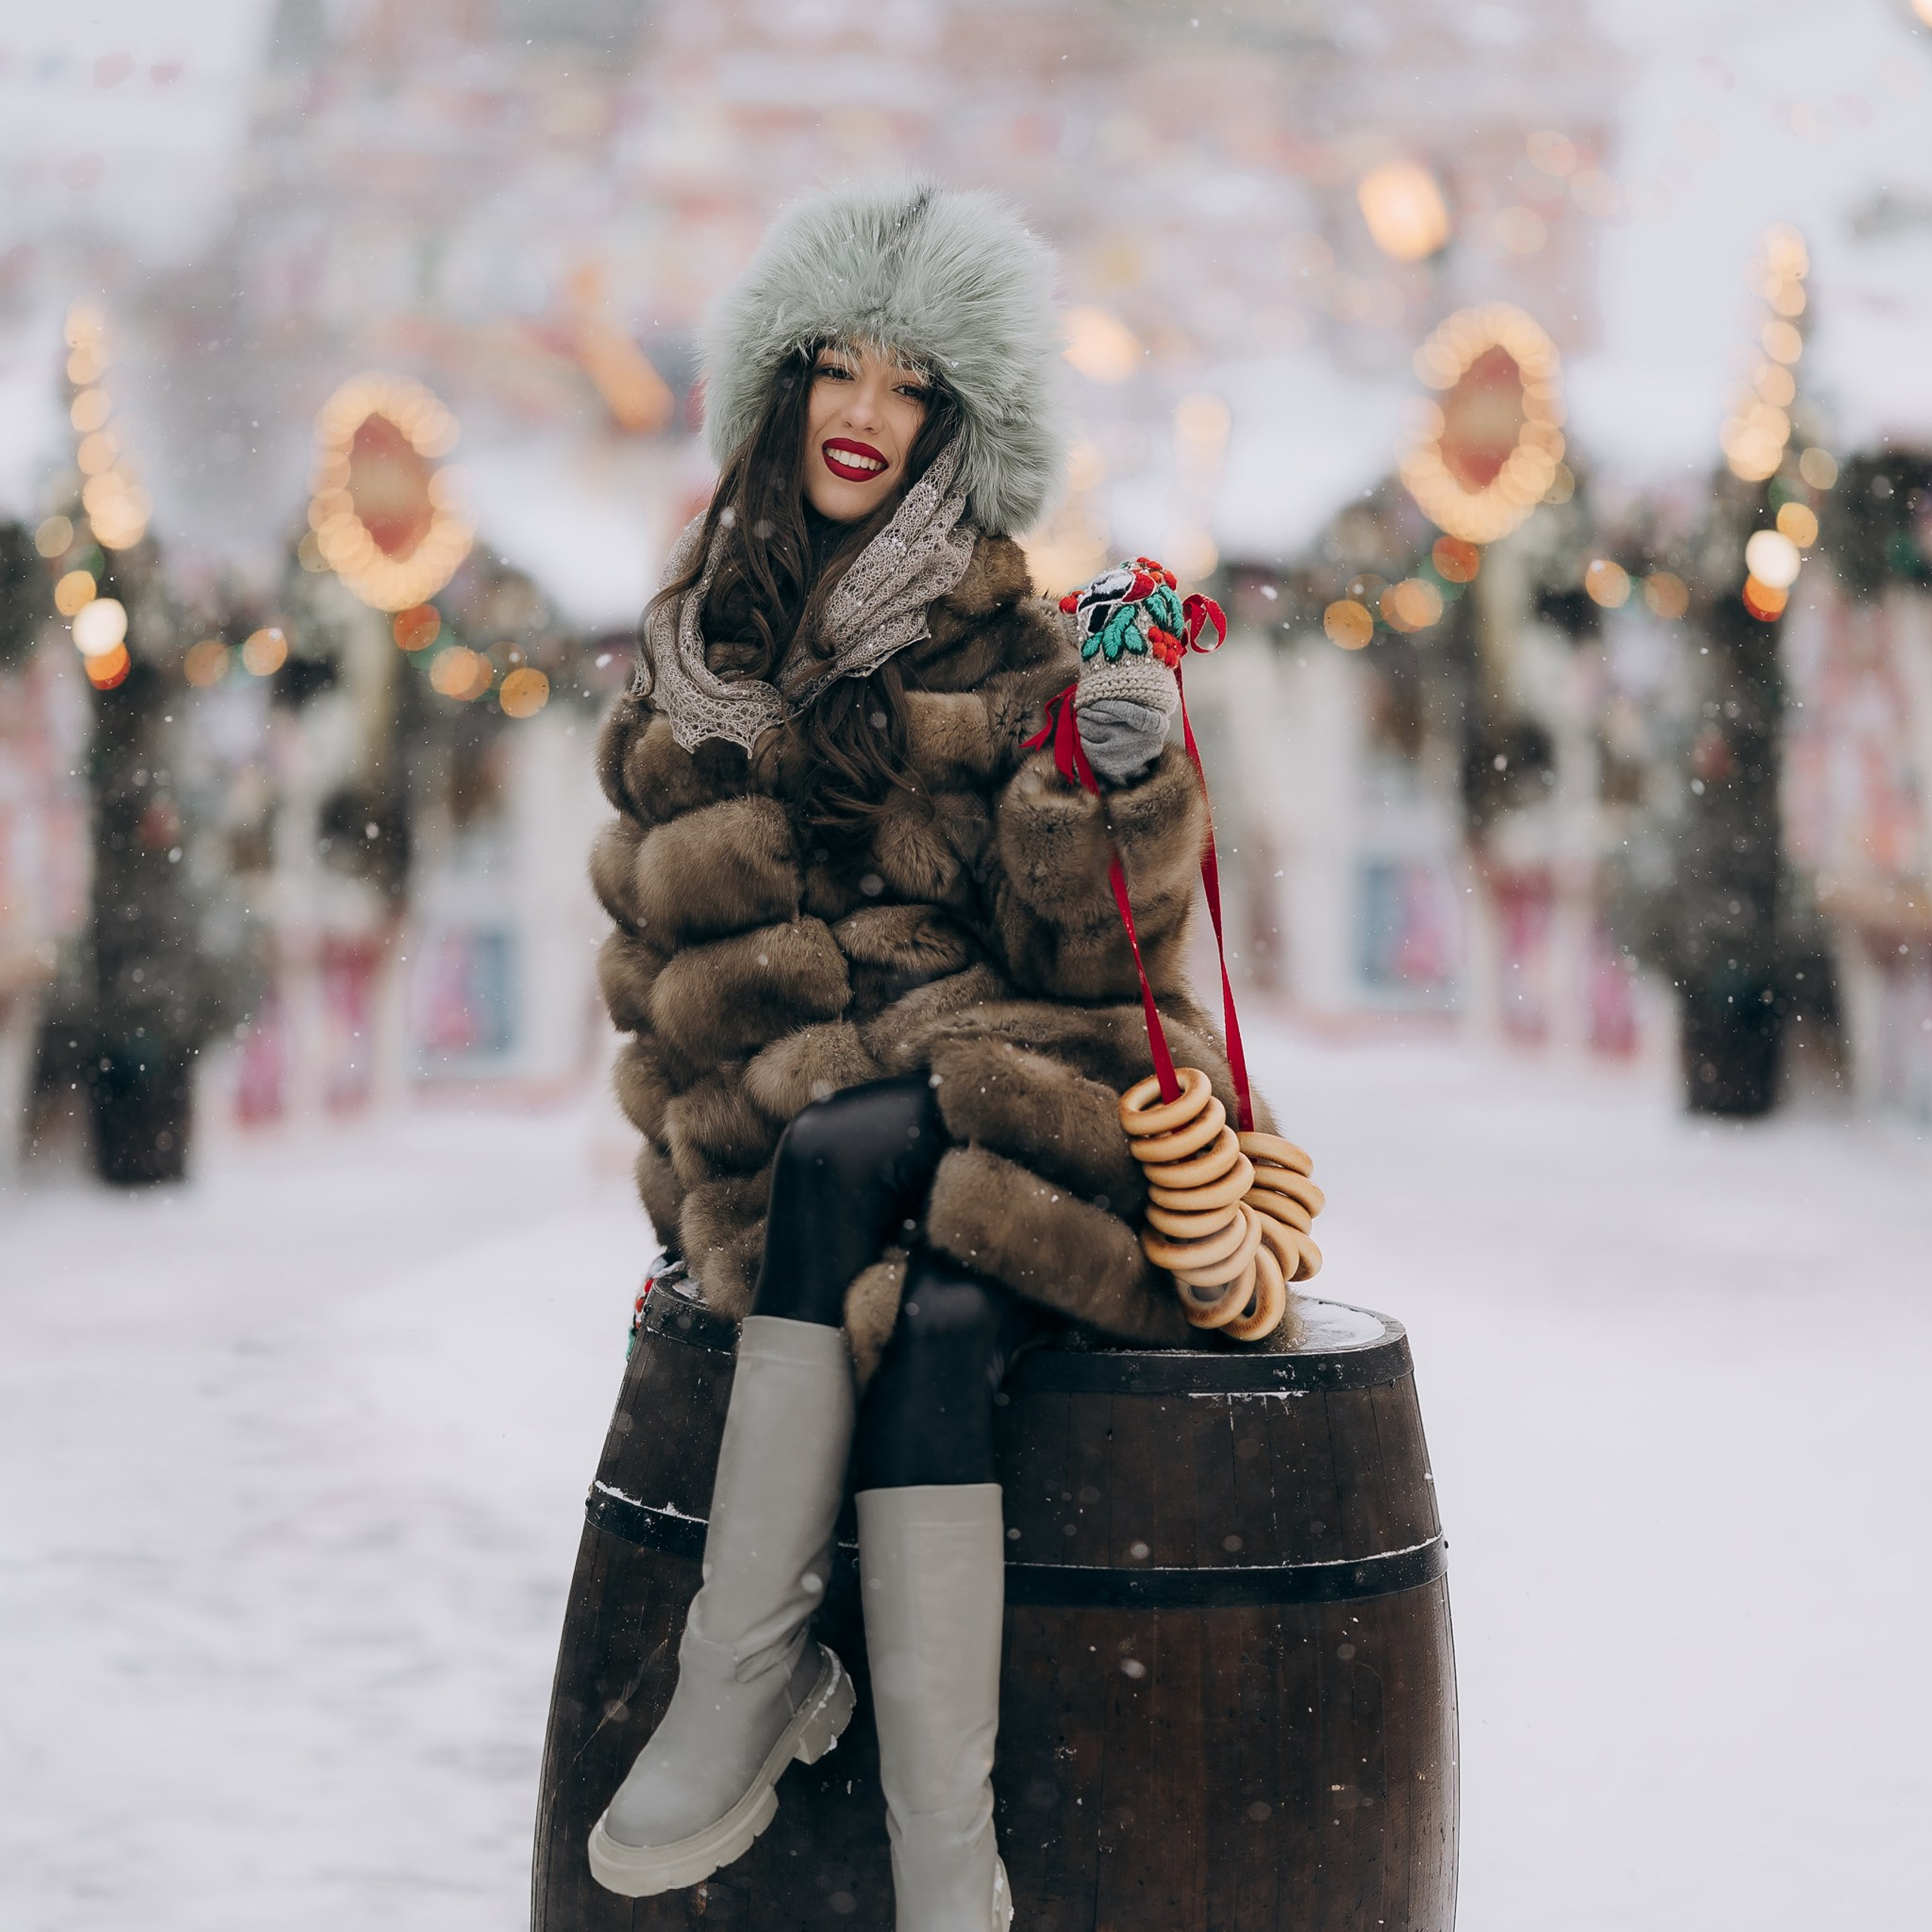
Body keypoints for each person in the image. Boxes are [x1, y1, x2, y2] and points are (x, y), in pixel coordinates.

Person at [585, 177, 1265, 1930]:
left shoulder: (1014, 642)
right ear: (780, 388)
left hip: (1040, 1093)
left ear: (957, 422)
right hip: (809, 1167)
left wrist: (1103, 788)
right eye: (834, 366)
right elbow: (659, 980)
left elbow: (1085, 948)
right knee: (935, 1312)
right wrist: (698, 1175)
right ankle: (946, 1871)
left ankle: (740, 1682)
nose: (861, 412)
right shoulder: (695, 654)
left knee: (856, 1161)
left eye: (907, 383)